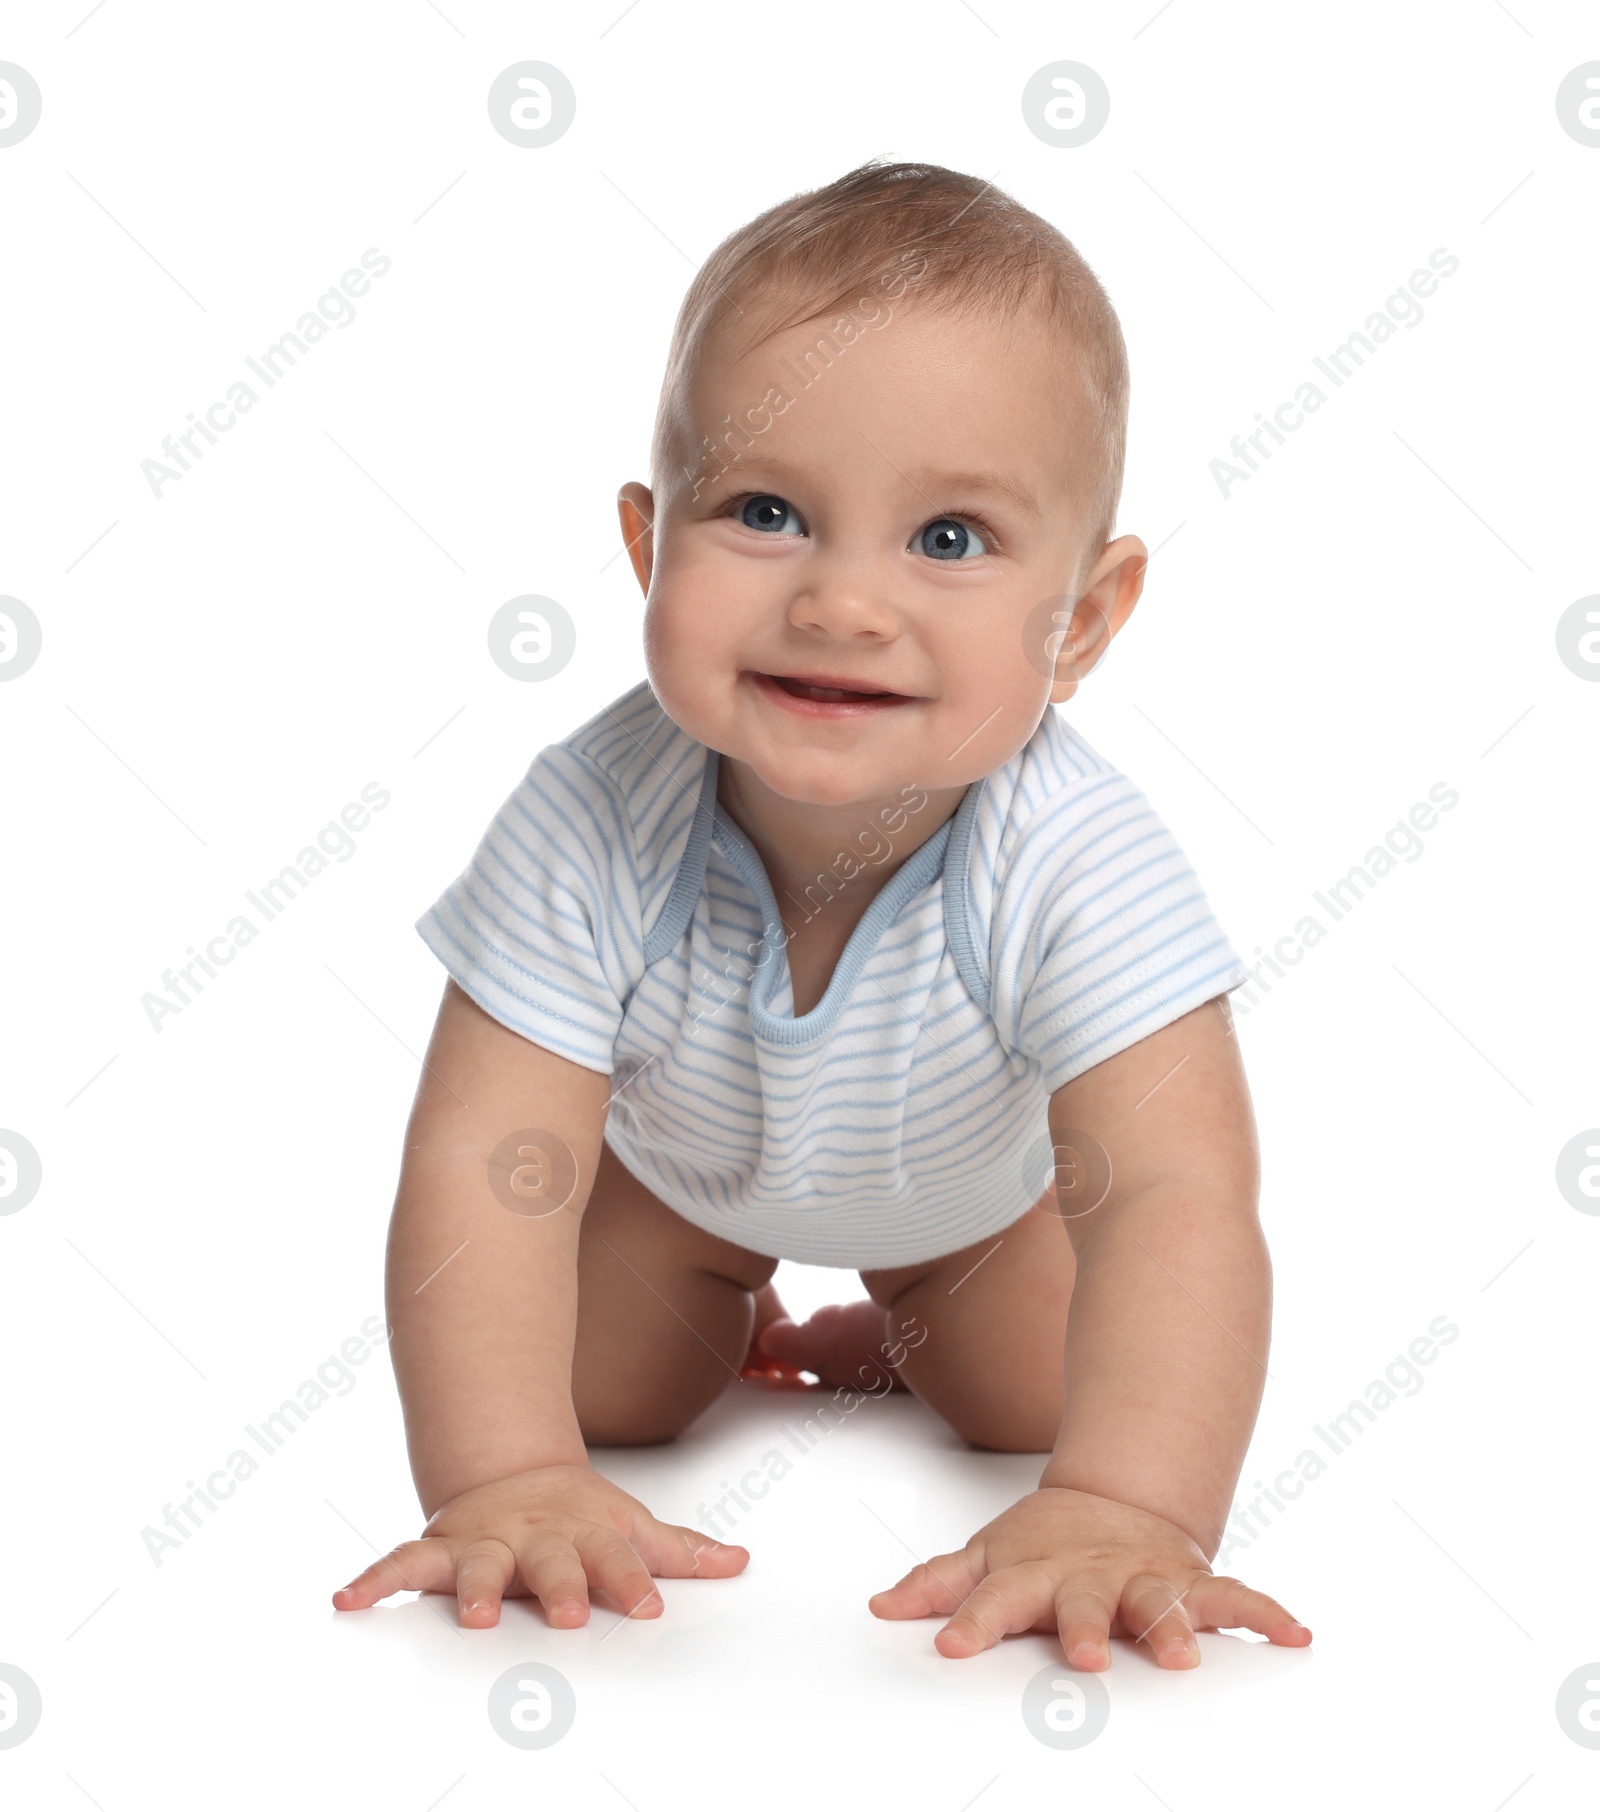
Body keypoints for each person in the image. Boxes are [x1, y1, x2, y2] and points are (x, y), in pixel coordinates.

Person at [333, 160, 1311, 1670]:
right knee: (603, 1398)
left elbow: (1175, 1194)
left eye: (949, 540)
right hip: (673, 1194)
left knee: (1038, 1401)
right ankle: (730, 1304)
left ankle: (900, 1327)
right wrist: (503, 1477)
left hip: (978, 1222)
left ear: (1085, 624)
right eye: (768, 512)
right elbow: (487, 1160)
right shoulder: (588, 815)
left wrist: (1131, 1506)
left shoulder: (1076, 855)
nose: (845, 604)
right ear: (649, 548)